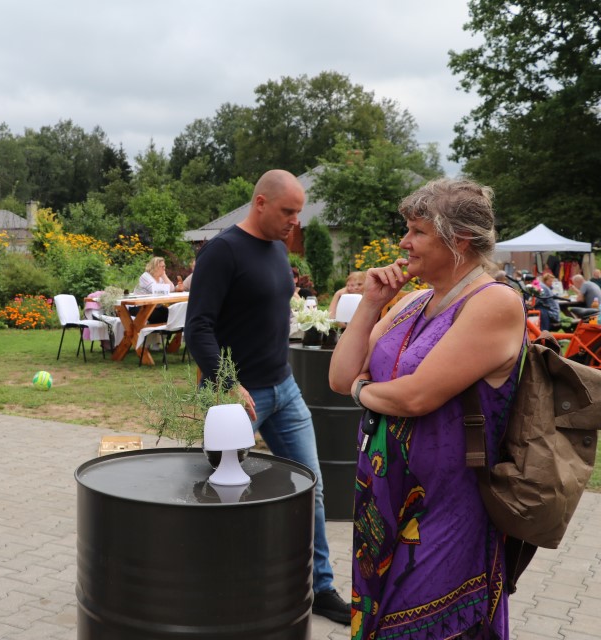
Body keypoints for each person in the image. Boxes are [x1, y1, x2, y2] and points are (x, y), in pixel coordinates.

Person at [329, 178, 525, 639]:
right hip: (383, 497)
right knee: (379, 617)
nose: (404, 242)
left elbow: (416, 398)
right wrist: (371, 305)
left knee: (421, 623)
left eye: (418, 231)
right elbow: (339, 376)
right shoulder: (414, 301)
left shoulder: (494, 302)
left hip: (447, 506)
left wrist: (363, 392)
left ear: (460, 240)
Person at [184, 169, 350, 626]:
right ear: (260, 203)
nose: (295, 222)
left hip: (285, 389)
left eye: (298, 212)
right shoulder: (222, 252)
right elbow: (197, 327)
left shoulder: (278, 247)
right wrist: (227, 382)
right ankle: (201, 586)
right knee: (218, 494)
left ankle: (320, 588)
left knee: (311, 488)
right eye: (287, 211)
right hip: (235, 397)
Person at [134, 256, 174, 323]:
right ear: (155, 267)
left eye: (164, 266)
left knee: (172, 315)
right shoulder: (145, 276)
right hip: (140, 306)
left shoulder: (161, 278)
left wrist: (164, 276)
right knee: (160, 316)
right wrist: (165, 285)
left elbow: (172, 288)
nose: (164, 268)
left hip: (154, 306)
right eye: (162, 266)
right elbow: (155, 290)